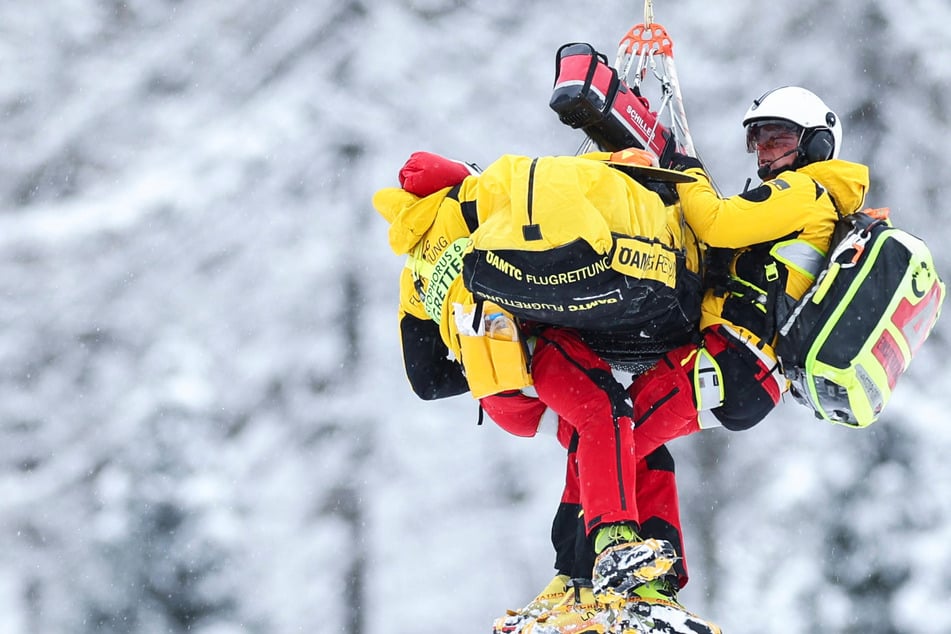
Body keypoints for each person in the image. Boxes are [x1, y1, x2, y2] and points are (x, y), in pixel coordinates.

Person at [485, 85, 872, 633]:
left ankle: (583, 575)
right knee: (626, 444)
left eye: (779, 137)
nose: (765, 151)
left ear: (818, 143)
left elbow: (716, 223)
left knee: (607, 428)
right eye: (757, 139)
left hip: (734, 359)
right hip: (740, 369)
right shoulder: (795, 199)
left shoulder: (807, 191)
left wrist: (680, 170)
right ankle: (646, 584)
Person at [373, 150, 722, 634]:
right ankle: (611, 551)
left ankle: (575, 587)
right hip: (533, 346)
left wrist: (483, 358)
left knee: (615, 441)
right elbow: (554, 179)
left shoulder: (414, 266)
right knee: (609, 414)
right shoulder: (473, 199)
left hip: (500, 391)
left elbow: (426, 380)